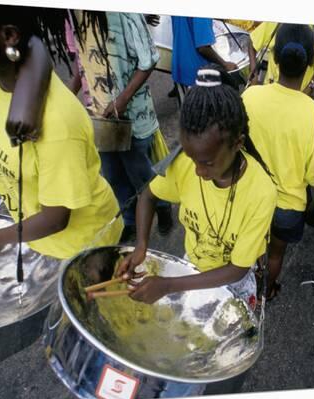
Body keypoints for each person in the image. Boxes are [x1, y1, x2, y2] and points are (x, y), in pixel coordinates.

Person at [118, 65, 277, 309]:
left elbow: (236, 269)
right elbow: (148, 196)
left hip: (232, 283)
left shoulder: (261, 192)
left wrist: (169, 285)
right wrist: (141, 246)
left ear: (237, 144)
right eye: (193, 159)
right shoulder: (184, 164)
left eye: (207, 163)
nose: (198, 171)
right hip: (190, 267)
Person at [0, 5, 123, 262]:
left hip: (80, 248)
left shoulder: (57, 124)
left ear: (9, 35)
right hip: (36, 239)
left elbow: (55, 219)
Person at [242, 24, 314, 300]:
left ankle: (247, 289)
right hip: (288, 207)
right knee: (276, 252)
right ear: (309, 64)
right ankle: (267, 290)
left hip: (249, 196)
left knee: (249, 246)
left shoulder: (250, 96)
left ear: (276, 59)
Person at [65, 11, 173, 242]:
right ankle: (130, 220)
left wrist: (122, 99)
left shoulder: (124, 13)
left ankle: (162, 206)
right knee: (113, 175)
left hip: (133, 116)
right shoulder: (70, 16)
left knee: (141, 173)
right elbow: (80, 60)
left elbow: (149, 60)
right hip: (99, 119)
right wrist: (64, 97)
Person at [249, 22, 314, 97]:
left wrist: (305, 93)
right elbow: (252, 43)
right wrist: (254, 75)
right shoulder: (275, 21)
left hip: (301, 96)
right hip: (270, 92)